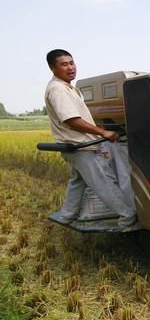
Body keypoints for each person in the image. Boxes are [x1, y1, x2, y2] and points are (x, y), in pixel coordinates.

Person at [44, 49, 137, 231]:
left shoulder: (67, 87)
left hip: (76, 146)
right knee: (104, 183)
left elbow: (78, 118)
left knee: (77, 180)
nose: (70, 67)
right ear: (52, 68)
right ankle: (128, 217)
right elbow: (71, 119)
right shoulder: (58, 90)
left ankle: (67, 215)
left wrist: (98, 129)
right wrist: (102, 133)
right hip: (81, 147)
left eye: (71, 63)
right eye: (64, 64)